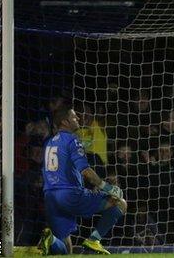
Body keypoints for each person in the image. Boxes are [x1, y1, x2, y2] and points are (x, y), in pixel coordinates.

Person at [38, 107, 126, 255]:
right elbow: (86, 171)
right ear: (65, 122)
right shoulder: (72, 140)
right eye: (74, 117)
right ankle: (94, 240)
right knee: (120, 203)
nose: (78, 119)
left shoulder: (49, 143)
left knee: (65, 250)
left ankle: (51, 239)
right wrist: (107, 187)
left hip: (50, 197)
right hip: (70, 195)